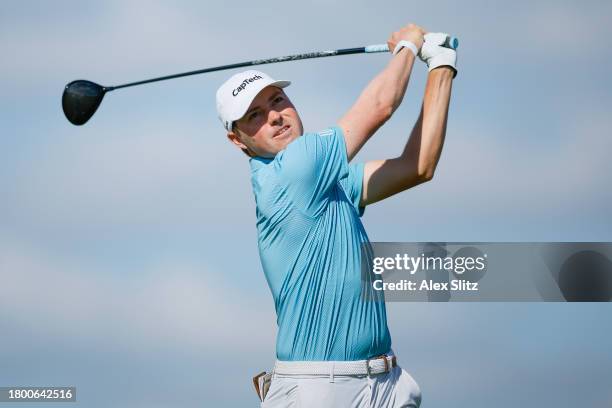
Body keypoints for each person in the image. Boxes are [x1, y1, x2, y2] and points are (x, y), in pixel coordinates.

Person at [215, 23, 456, 408]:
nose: (274, 117)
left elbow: (418, 166)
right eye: (255, 116)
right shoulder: (293, 170)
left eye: (277, 101)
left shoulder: (329, 181)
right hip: (321, 390)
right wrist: (407, 47)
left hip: (386, 383)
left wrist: (441, 67)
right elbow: (380, 107)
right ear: (237, 140)